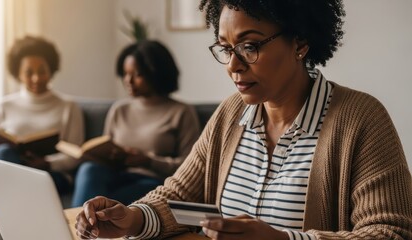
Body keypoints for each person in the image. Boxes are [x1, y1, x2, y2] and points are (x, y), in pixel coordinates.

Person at [75, 1, 412, 239]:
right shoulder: (230, 114)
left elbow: (389, 232)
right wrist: (132, 218)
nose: (233, 65)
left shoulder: (361, 119)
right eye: (225, 48)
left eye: (250, 46)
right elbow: (180, 196)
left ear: (301, 42)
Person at [70, 40, 201, 207]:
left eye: (137, 74)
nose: (128, 81)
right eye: (125, 73)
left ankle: (89, 220)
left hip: (152, 182)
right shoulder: (119, 109)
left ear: (157, 73)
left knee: (105, 201)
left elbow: (190, 167)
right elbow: (105, 147)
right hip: (115, 175)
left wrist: (148, 161)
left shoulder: (181, 112)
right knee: (89, 169)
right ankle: (79, 226)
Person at [0, 36, 84, 222]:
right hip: (11, 169)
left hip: (50, 175)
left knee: (0, 181)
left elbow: (75, 155)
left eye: (42, 71)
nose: (36, 78)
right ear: (18, 74)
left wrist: (46, 162)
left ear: (51, 70)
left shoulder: (68, 106)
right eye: (29, 72)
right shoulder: (4, 106)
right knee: (3, 154)